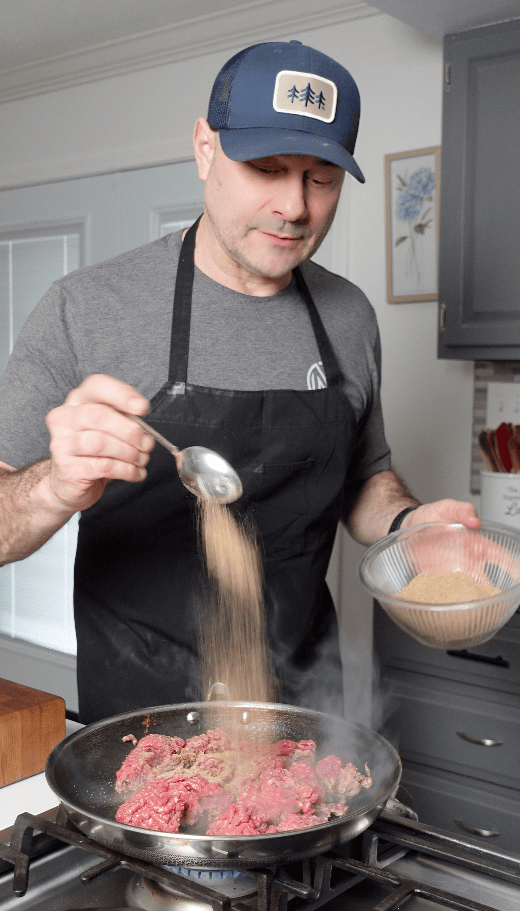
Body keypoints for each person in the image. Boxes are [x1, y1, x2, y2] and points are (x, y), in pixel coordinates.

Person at [0, 40, 479, 724]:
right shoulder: (87, 308)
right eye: (268, 168)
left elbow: (364, 477)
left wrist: (407, 521)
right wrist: (51, 485)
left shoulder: (347, 317)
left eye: (321, 177)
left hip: (307, 712)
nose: (294, 206)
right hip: (141, 728)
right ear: (205, 149)